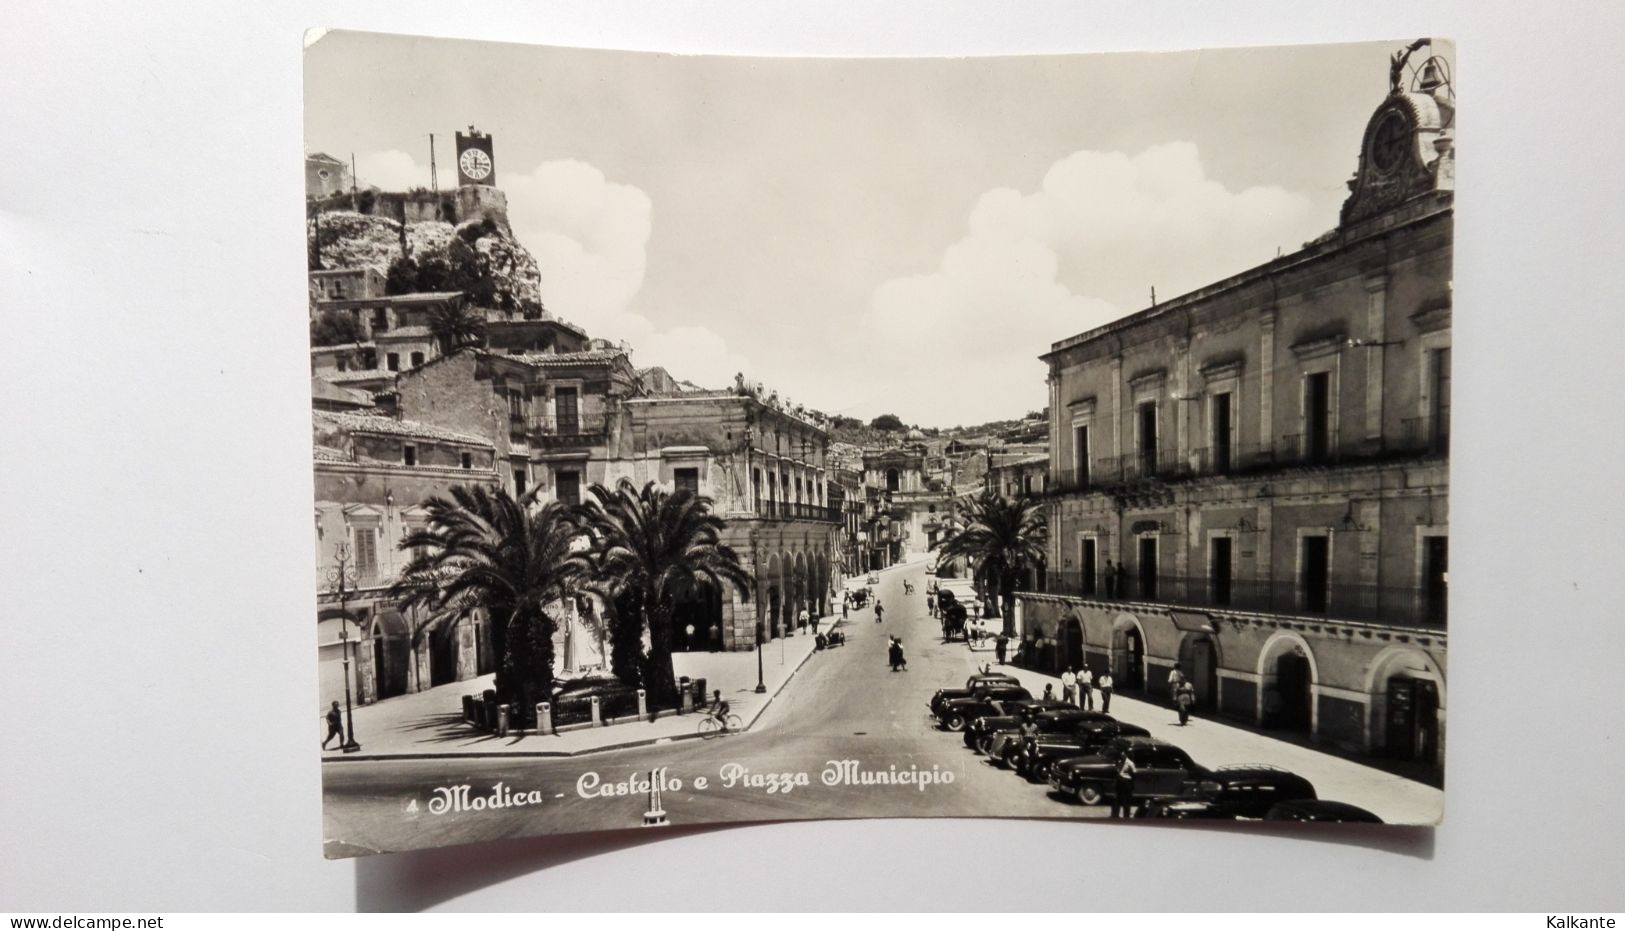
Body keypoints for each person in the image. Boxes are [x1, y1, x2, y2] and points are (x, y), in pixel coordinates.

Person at [1111, 752, 1138, 818]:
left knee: (1126, 800)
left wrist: (1131, 783)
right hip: (1120, 781)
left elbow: (1134, 774)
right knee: (1117, 799)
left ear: (1126, 755)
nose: (1121, 756)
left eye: (1122, 755)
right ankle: (1115, 815)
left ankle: (1126, 816)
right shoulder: (1119, 762)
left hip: (1127, 782)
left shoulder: (1130, 763)